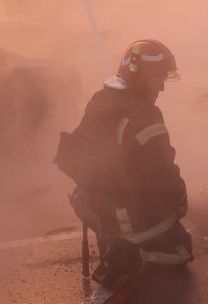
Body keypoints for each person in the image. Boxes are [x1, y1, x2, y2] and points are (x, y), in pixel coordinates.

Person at [55, 39, 192, 289]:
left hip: (93, 206)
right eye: (158, 80)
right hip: (122, 216)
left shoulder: (101, 100)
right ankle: (132, 254)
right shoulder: (145, 116)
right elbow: (163, 177)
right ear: (143, 80)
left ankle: (116, 243)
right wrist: (181, 201)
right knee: (182, 250)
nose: (162, 87)